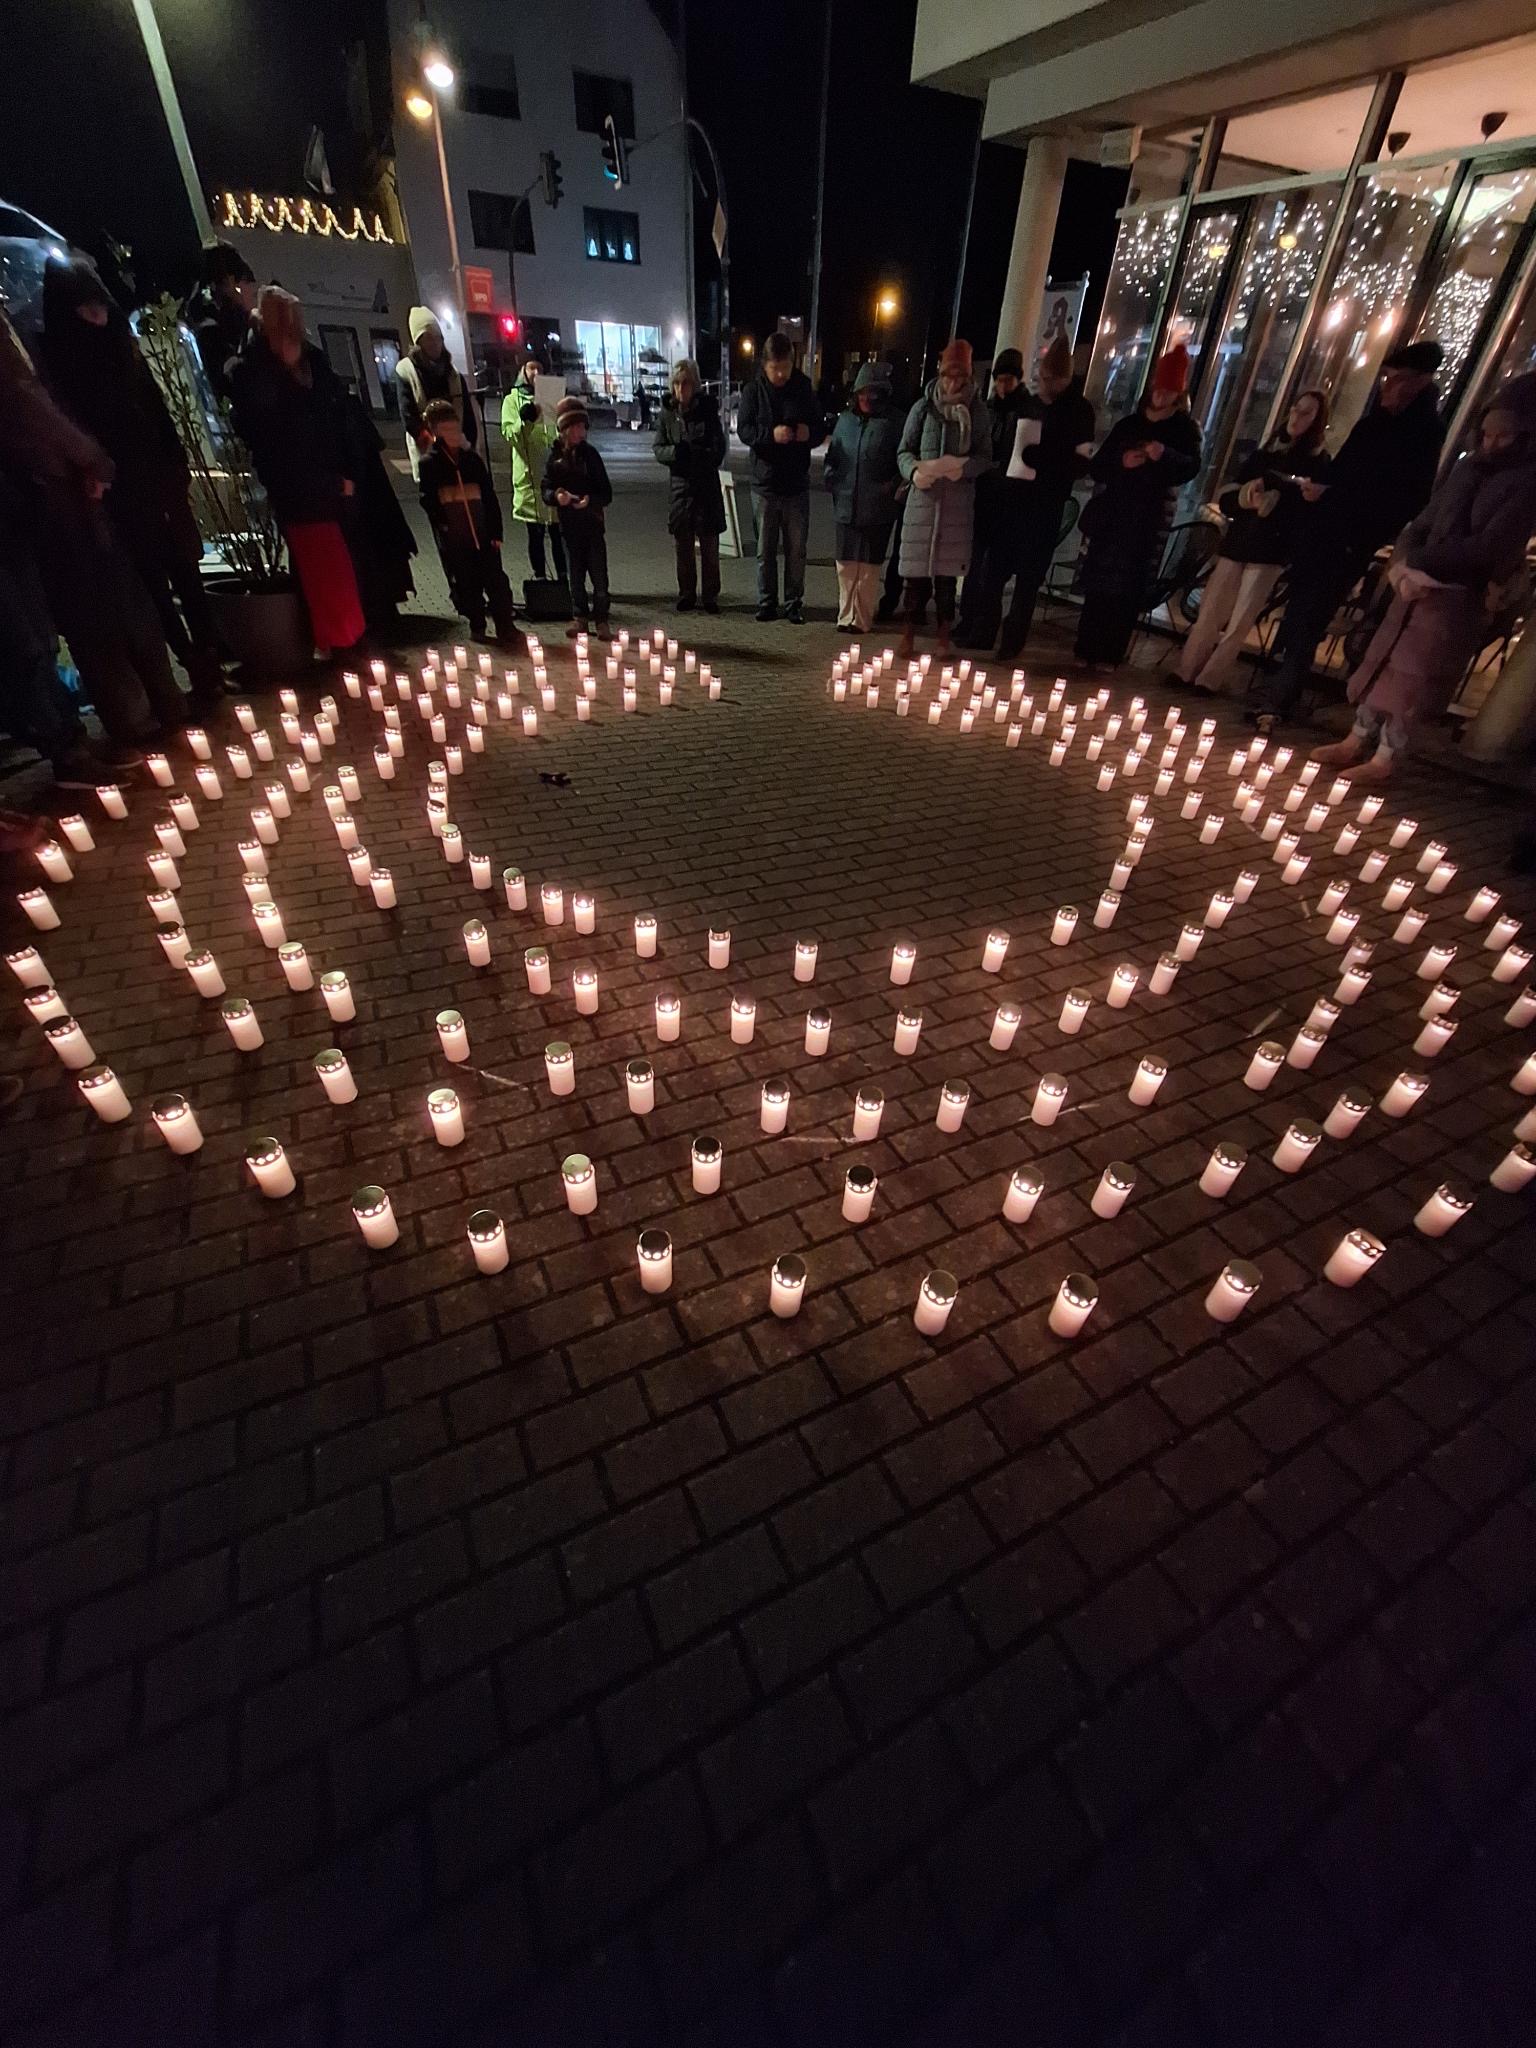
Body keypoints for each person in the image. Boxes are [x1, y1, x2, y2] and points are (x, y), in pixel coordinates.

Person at [1311, 374, 1536, 785]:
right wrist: (1404, 558)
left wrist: (1422, 564)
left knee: (1416, 679)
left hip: (1456, 594)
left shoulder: (1525, 483)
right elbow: (1425, 520)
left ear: (1524, 436)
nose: (1490, 444)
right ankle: (1356, 737)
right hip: (1412, 586)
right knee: (1384, 661)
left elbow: (1491, 545)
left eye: (1503, 437)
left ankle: (1385, 756)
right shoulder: (1466, 468)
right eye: (1486, 434)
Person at [41, 254, 226, 704]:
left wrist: (176, 463)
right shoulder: (63, 362)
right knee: (154, 589)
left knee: (187, 572)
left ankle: (210, 661)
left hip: (160, 481)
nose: (99, 318)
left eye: (101, 308)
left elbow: (159, 411)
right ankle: (187, 661)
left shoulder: (124, 350)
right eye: (88, 312)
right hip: (121, 495)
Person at [1251, 341, 1445, 730]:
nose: (1386, 386)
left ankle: (1278, 699)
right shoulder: (1372, 423)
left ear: (1419, 383)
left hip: (1348, 542)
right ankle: (1274, 693)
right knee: (1296, 615)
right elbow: (1341, 472)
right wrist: (1317, 488)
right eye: (1387, 377)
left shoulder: (1424, 433)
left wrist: (1354, 524)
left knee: (1310, 619)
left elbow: (1405, 497)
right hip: (1320, 533)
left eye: (1397, 379)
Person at [0, 306, 129, 785]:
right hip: (26, 501)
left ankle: (68, 739)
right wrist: (91, 458)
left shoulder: (17, 331)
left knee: (37, 635)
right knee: (25, 640)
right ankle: (65, 747)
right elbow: (28, 404)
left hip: (19, 507)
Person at [230, 286, 368, 656]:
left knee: (340, 568)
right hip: (301, 492)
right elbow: (272, 444)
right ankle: (336, 643)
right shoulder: (254, 372)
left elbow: (337, 415)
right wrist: (323, 481)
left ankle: (349, 638)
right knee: (320, 571)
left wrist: (346, 472)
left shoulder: (314, 363)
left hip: (333, 485)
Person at [1176, 389, 1330, 696]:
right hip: (1239, 543)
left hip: (1270, 551)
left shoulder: (1318, 463)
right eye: (1296, 409)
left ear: (1317, 420)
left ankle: (1210, 678)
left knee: (1240, 620)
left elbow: (1308, 513)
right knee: (1211, 610)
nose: (1297, 418)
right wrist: (1249, 496)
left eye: (1307, 413)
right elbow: (1230, 497)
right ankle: (1186, 670)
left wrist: (1286, 499)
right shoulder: (1264, 456)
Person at [963, 334, 1096, 661]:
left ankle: (1012, 642)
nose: (1044, 384)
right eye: (1042, 378)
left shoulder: (1079, 411)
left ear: (1064, 379)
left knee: (1027, 583)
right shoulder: (1030, 405)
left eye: (1050, 379)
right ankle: (984, 632)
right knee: (993, 574)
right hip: (1011, 505)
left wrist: (1047, 459)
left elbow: (1081, 463)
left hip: (1044, 509)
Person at [1074, 343, 1202, 671]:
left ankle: (1110, 654)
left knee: (1127, 589)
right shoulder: (1129, 425)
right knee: (1099, 586)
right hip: (1113, 516)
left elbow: (1190, 468)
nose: (1160, 396)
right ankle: (1085, 648)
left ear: (1178, 393)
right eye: (1157, 389)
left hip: (1147, 520)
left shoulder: (1184, 430)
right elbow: (1099, 466)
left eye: (1168, 391)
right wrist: (1122, 461)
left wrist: (1166, 456)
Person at [896, 338, 991, 658]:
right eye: (949, 376)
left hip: (956, 509)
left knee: (947, 580)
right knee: (914, 578)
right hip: (922, 505)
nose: (953, 383)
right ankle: (907, 636)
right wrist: (913, 472)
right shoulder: (923, 407)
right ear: (940, 373)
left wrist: (963, 468)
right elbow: (903, 451)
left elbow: (985, 457)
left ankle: (942, 638)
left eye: (960, 378)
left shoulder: (976, 411)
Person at [736, 331, 824, 623]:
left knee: (797, 549)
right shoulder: (753, 391)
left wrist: (807, 433)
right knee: (765, 549)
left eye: (785, 366)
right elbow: (744, 430)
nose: (781, 373)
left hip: (796, 484)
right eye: (776, 368)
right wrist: (769, 436)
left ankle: (794, 602)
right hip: (765, 485)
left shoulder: (803, 388)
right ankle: (767, 602)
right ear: (765, 365)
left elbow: (819, 427)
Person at [418, 397, 519, 643]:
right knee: (467, 583)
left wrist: (496, 532)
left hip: (483, 533)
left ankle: (506, 627)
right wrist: (443, 524)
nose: (452, 433)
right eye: (445, 430)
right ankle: (478, 625)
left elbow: (490, 497)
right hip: (456, 536)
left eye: (455, 427)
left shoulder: (471, 460)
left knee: (496, 581)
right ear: (434, 432)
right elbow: (428, 499)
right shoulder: (430, 464)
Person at [823, 361, 903, 633]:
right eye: (861, 393)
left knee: (868, 567)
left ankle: (862, 617)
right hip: (846, 502)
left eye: (872, 392)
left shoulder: (893, 423)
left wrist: (890, 487)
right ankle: (845, 616)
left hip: (877, 507)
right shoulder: (846, 421)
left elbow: (901, 461)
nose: (866, 398)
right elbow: (833, 454)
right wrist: (830, 476)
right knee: (845, 564)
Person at [953, 346, 1025, 647]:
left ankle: (984, 632)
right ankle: (967, 623)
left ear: (1018, 380)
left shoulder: (1026, 412)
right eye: (999, 379)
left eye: (1008, 380)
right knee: (972, 569)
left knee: (992, 575)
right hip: (983, 500)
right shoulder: (989, 409)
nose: (1002, 386)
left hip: (1009, 506)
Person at [653, 358, 727, 612]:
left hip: (705, 486)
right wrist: (675, 453)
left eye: (685, 383)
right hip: (681, 488)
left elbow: (719, 447)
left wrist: (702, 455)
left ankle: (710, 596)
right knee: (683, 546)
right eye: (676, 383)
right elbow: (658, 448)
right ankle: (686, 593)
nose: (680, 389)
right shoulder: (667, 415)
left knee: (709, 546)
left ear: (694, 385)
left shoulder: (707, 412)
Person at [541, 395, 613, 637]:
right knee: (576, 576)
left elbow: (606, 491)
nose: (582, 432)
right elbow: (546, 488)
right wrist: (556, 496)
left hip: (592, 524)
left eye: (584, 426)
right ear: (566, 429)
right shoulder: (555, 457)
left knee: (599, 576)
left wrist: (589, 500)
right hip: (569, 528)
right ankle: (579, 616)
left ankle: (601, 619)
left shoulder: (590, 456)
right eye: (578, 427)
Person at [500, 358, 565, 584]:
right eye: (531, 367)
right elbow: (511, 436)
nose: (536, 372)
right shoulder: (512, 401)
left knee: (559, 535)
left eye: (540, 367)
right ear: (523, 371)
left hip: (554, 477)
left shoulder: (553, 399)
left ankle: (564, 581)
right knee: (535, 535)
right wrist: (525, 420)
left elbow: (560, 430)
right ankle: (540, 580)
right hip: (529, 478)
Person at [396, 307, 477, 481]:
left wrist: (468, 447)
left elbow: (468, 415)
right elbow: (409, 418)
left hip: (458, 450)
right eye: (428, 338)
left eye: (438, 338)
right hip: (429, 454)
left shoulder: (453, 374)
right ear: (418, 342)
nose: (435, 343)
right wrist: (436, 446)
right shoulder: (406, 371)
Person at [185, 242, 256, 402]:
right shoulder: (213, 333)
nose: (250, 291)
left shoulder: (202, 325)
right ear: (228, 282)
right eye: (244, 282)